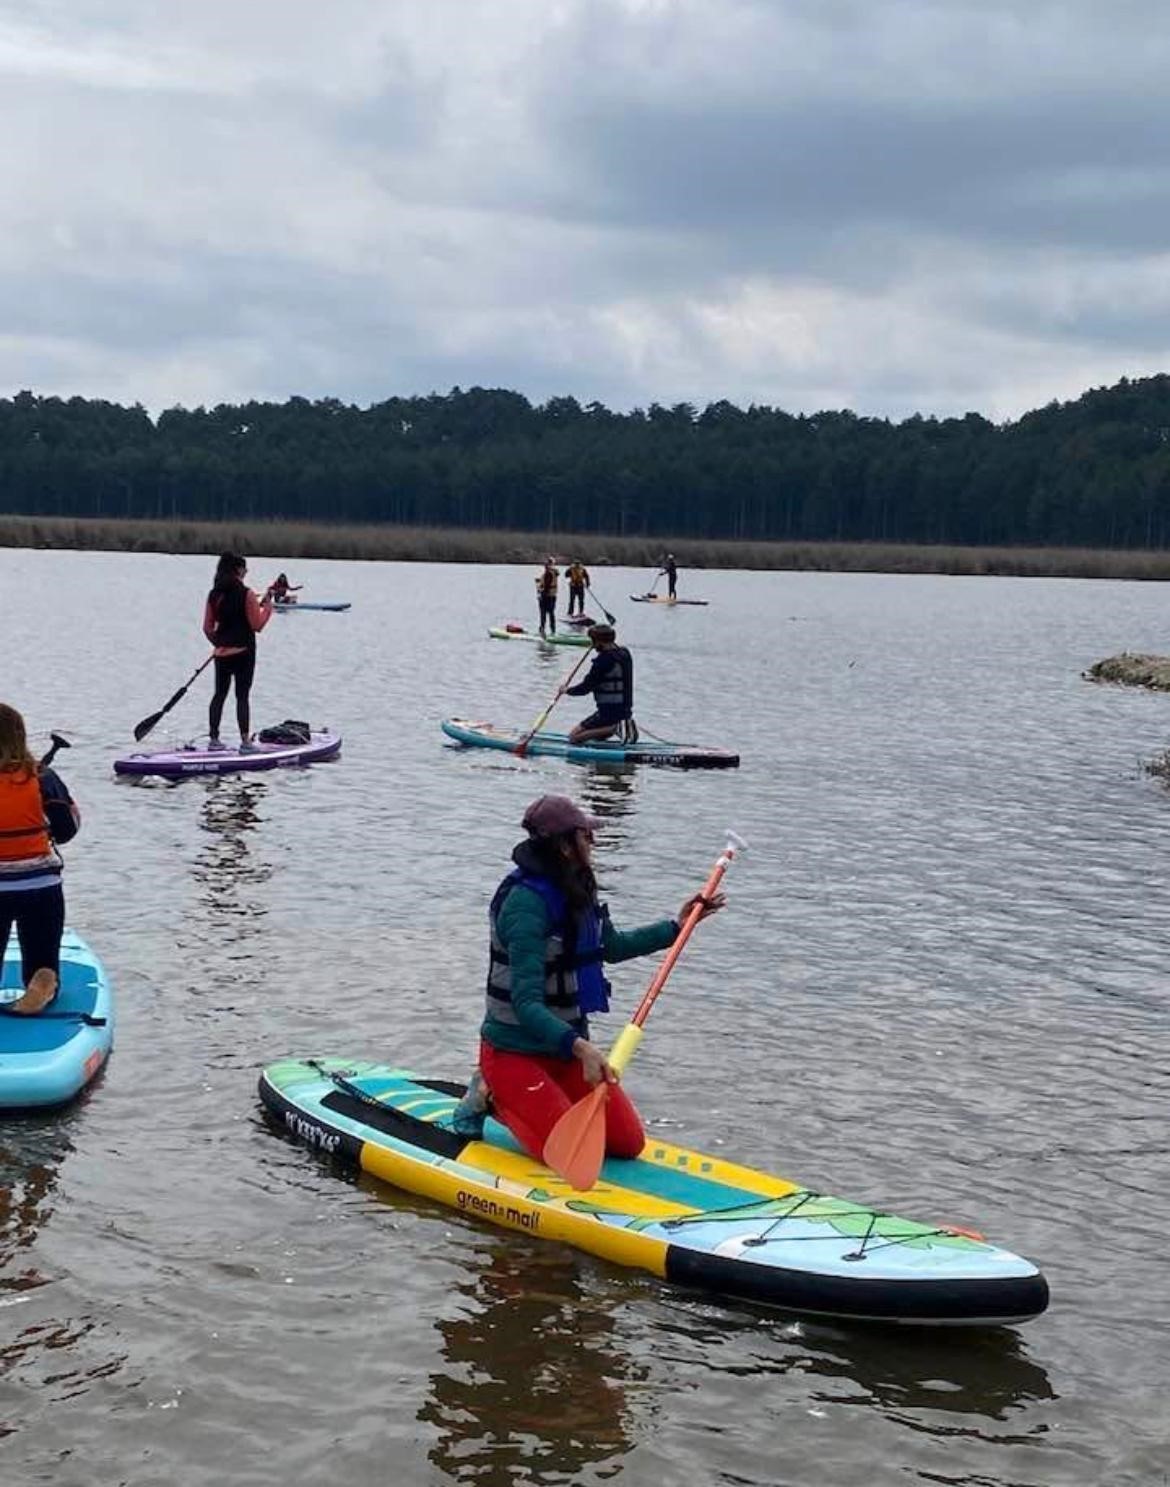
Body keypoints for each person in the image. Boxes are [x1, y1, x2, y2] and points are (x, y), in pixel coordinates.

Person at [462, 795, 724, 1159]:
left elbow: (611, 947)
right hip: (512, 1050)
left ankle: (537, 1098)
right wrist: (583, 1048)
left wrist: (676, 927)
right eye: (586, 835)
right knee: (570, 1152)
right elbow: (525, 1004)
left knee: (627, 1144)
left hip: (562, 1049)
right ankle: (490, 1094)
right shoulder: (524, 905)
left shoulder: (578, 887)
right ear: (565, 847)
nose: (594, 843)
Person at [0, 704, 80, 1014]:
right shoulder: (43, 776)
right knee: (42, 957)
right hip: (41, 886)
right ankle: (43, 980)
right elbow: (66, 829)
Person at [202, 552, 273, 752]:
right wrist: (267, 607)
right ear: (238, 570)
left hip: (221, 655)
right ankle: (245, 742)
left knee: (219, 695)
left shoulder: (214, 594)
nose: (246, 572)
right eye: (244, 568)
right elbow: (257, 624)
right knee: (242, 696)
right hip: (244, 653)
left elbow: (207, 628)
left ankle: (214, 740)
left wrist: (219, 643)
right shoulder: (247, 594)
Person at [566, 625, 635, 744]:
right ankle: (618, 726)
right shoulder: (624, 654)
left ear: (599, 641)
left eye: (593, 642)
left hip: (608, 712)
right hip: (625, 710)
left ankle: (615, 728)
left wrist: (566, 690)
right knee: (595, 738)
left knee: (573, 737)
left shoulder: (603, 661)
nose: (592, 645)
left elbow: (585, 688)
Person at [535, 559, 558, 636]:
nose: (545, 566)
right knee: (551, 613)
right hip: (553, 596)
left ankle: (542, 629)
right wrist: (540, 582)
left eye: (546, 565)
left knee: (543, 613)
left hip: (546, 596)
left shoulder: (548, 574)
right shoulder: (554, 573)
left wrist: (541, 594)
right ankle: (553, 630)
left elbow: (547, 586)